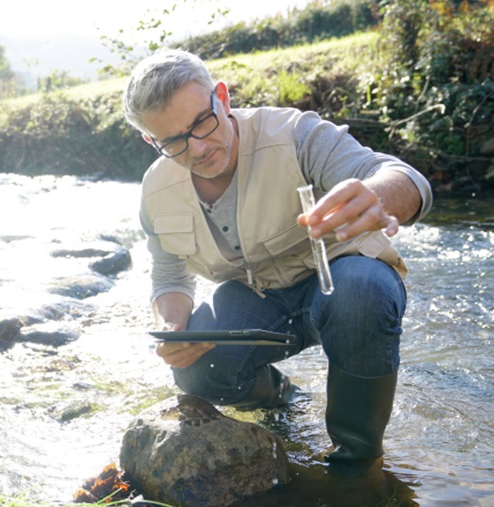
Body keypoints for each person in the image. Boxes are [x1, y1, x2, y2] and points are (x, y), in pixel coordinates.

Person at [123, 49, 432, 467]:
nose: (196, 148)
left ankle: (356, 460)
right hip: (259, 298)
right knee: (196, 370)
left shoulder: (294, 134)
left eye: (201, 122)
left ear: (222, 97)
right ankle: (279, 396)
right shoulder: (155, 191)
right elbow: (168, 274)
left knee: (361, 293)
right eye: (174, 142)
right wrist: (172, 324)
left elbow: (405, 178)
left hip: (340, 279)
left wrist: (376, 196)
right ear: (150, 141)